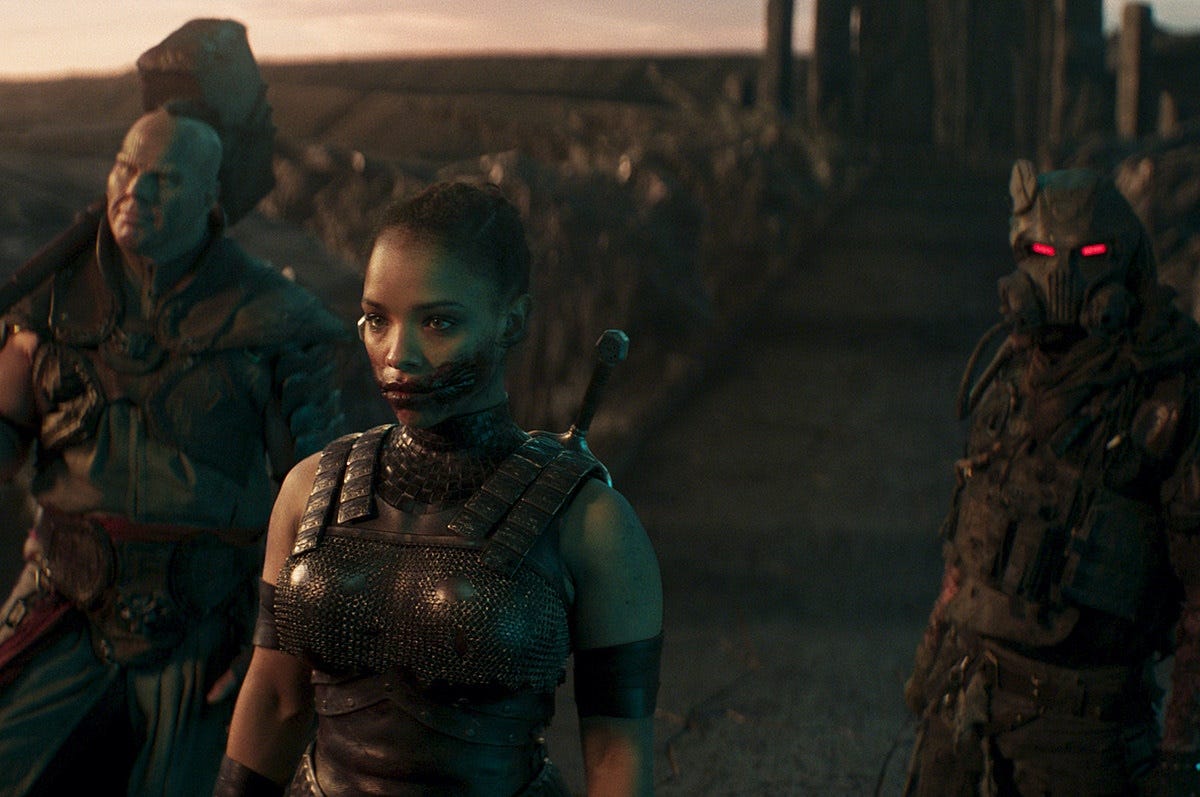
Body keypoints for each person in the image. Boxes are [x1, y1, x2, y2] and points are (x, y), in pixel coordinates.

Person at [216, 180, 664, 796]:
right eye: (377, 319)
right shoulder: (311, 491)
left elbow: (616, 749)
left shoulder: (591, 523)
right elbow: (275, 699)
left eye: (438, 322)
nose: (398, 354)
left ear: (512, 321)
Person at [0, 107, 351, 796]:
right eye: (125, 169)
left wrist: (274, 646)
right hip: (64, 601)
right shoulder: (49, 303)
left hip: (209, 625)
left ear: (208, 196)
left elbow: (321, 506)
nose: (135, 191)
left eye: (163, 179)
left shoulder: (272, 319)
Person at [902, 159, 1200, 795]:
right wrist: (930, 665)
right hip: (967, 702)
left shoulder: (1167, 393)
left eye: (1088, 255)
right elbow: (968, 552)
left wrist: (1181, 754)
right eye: (1040, 253)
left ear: (1122, 261)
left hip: (1083, 734)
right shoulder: (1013, 372)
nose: (1061, 275)